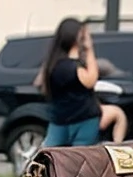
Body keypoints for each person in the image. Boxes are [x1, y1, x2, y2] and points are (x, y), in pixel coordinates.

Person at [36, 18, 102, 148]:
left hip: (59, 119)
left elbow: (39, 82)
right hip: (83, 119)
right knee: (78, 159)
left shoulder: (52, 64)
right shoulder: (72, 67)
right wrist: (89, 49)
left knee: (51, 157)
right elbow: (91, 80)